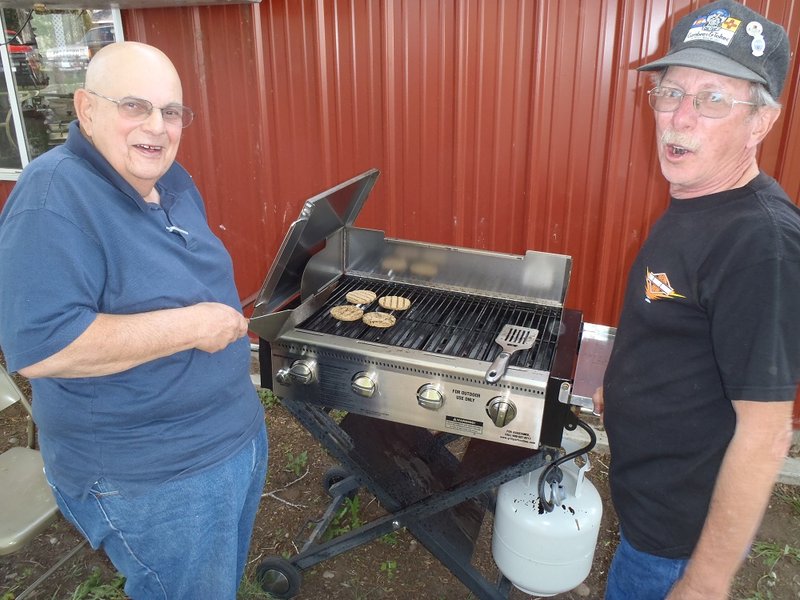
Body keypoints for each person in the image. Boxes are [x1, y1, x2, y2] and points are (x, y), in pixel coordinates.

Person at [0, 42, 267, 599]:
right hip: (151, 475)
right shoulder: (53, 197)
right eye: (134, 106)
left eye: (172, 112)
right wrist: (192, 326)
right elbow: (43, 346)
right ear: (86, 108)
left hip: (228, 437)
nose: (157, 126)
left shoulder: (169, 181)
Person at [593, 2, 800, 599]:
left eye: (712, 99)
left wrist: (704, 582)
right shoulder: (697, 198)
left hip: (674, 544)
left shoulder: (762, 246)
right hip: (649, 503)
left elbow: (767, 438)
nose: (678, 117)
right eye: (671, 91)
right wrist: (624, 378)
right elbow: (679, 323)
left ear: (760, 123)